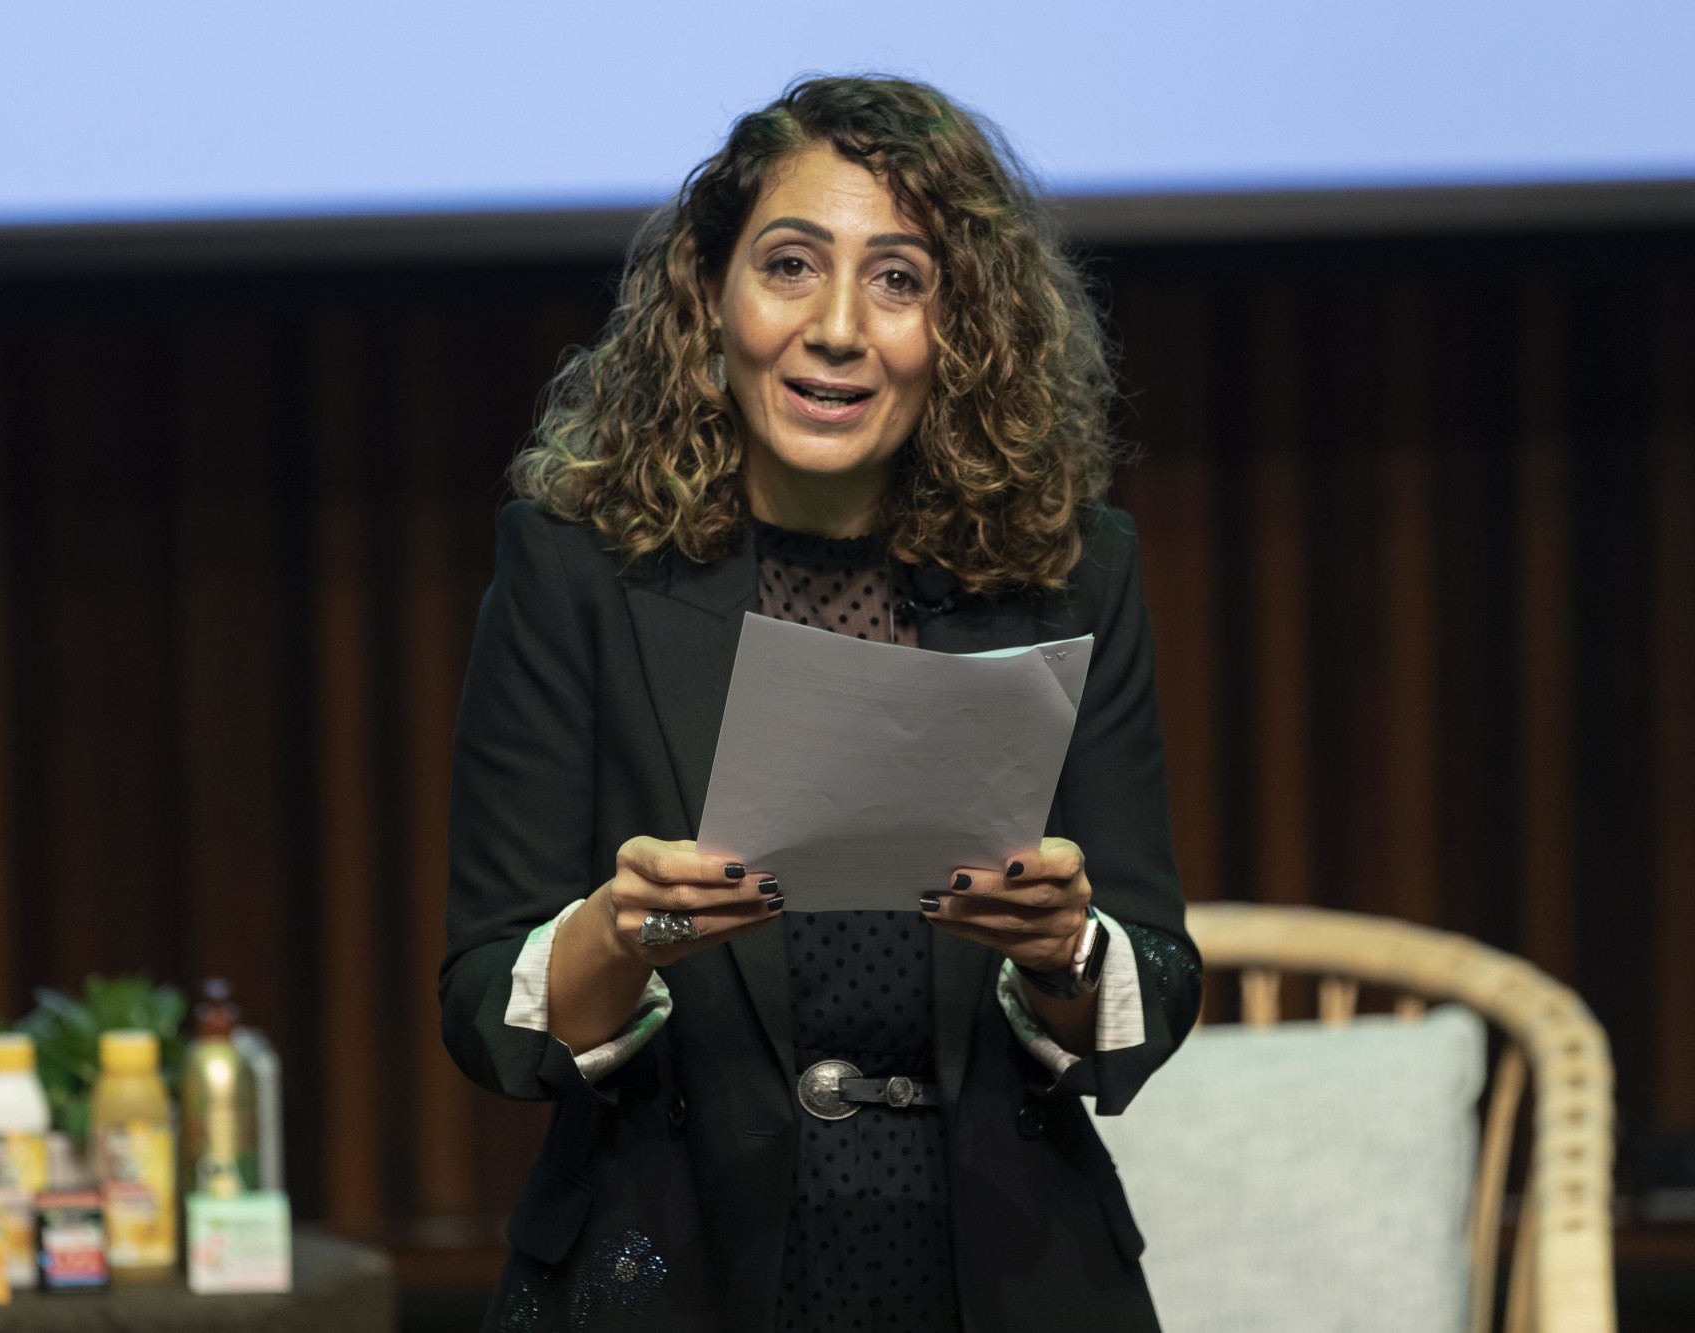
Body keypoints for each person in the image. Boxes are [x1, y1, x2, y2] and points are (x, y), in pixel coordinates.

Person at [441, 76, 1201, 1333]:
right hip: (666, 1269)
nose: (838, 327)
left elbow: (1154, 976)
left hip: (1004, 1275)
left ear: (964, 327)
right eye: (790, 265)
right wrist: (618, 932)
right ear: (712, 295)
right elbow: (484, 1006)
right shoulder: (573, 568)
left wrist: (1065, 944)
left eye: (899, 279)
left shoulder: (1072, 570)